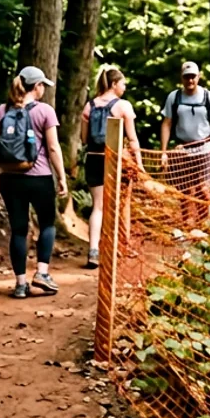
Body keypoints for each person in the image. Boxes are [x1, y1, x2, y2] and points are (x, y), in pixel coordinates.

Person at [0, 66, 69, 298]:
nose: (44, 89)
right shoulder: (45, 111)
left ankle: (20, 284)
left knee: (18, 229)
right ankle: (42, 273)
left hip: (10, 178)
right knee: (47, 224)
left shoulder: (2, 110)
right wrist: (62, 177)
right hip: (39, 177)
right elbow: (53, 148)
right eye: (43, 85)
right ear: (36, 87)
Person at [80, 67, 143, 269]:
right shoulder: (123, 106)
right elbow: (132, 139)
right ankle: (117, 248)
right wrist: (139, 164)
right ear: (114, 84)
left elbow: (83, 138)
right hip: (115, 162)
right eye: (123, 83)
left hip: (93, 159)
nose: (124, 88)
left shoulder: (89, 107)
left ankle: (93, 251)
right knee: (118, 206)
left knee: (97, 207)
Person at [159, 61, 210, 223]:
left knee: (203, 189)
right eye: (187, 77)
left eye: (193, 77)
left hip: (204, 149)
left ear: (199, 77)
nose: (190, 81)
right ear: (181, 78)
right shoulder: (174, 97)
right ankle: (187, 223)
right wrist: (164, 152)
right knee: (185, 190)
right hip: (183, 149)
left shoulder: (209, 98)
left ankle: (204, 223)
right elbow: (167, 123)